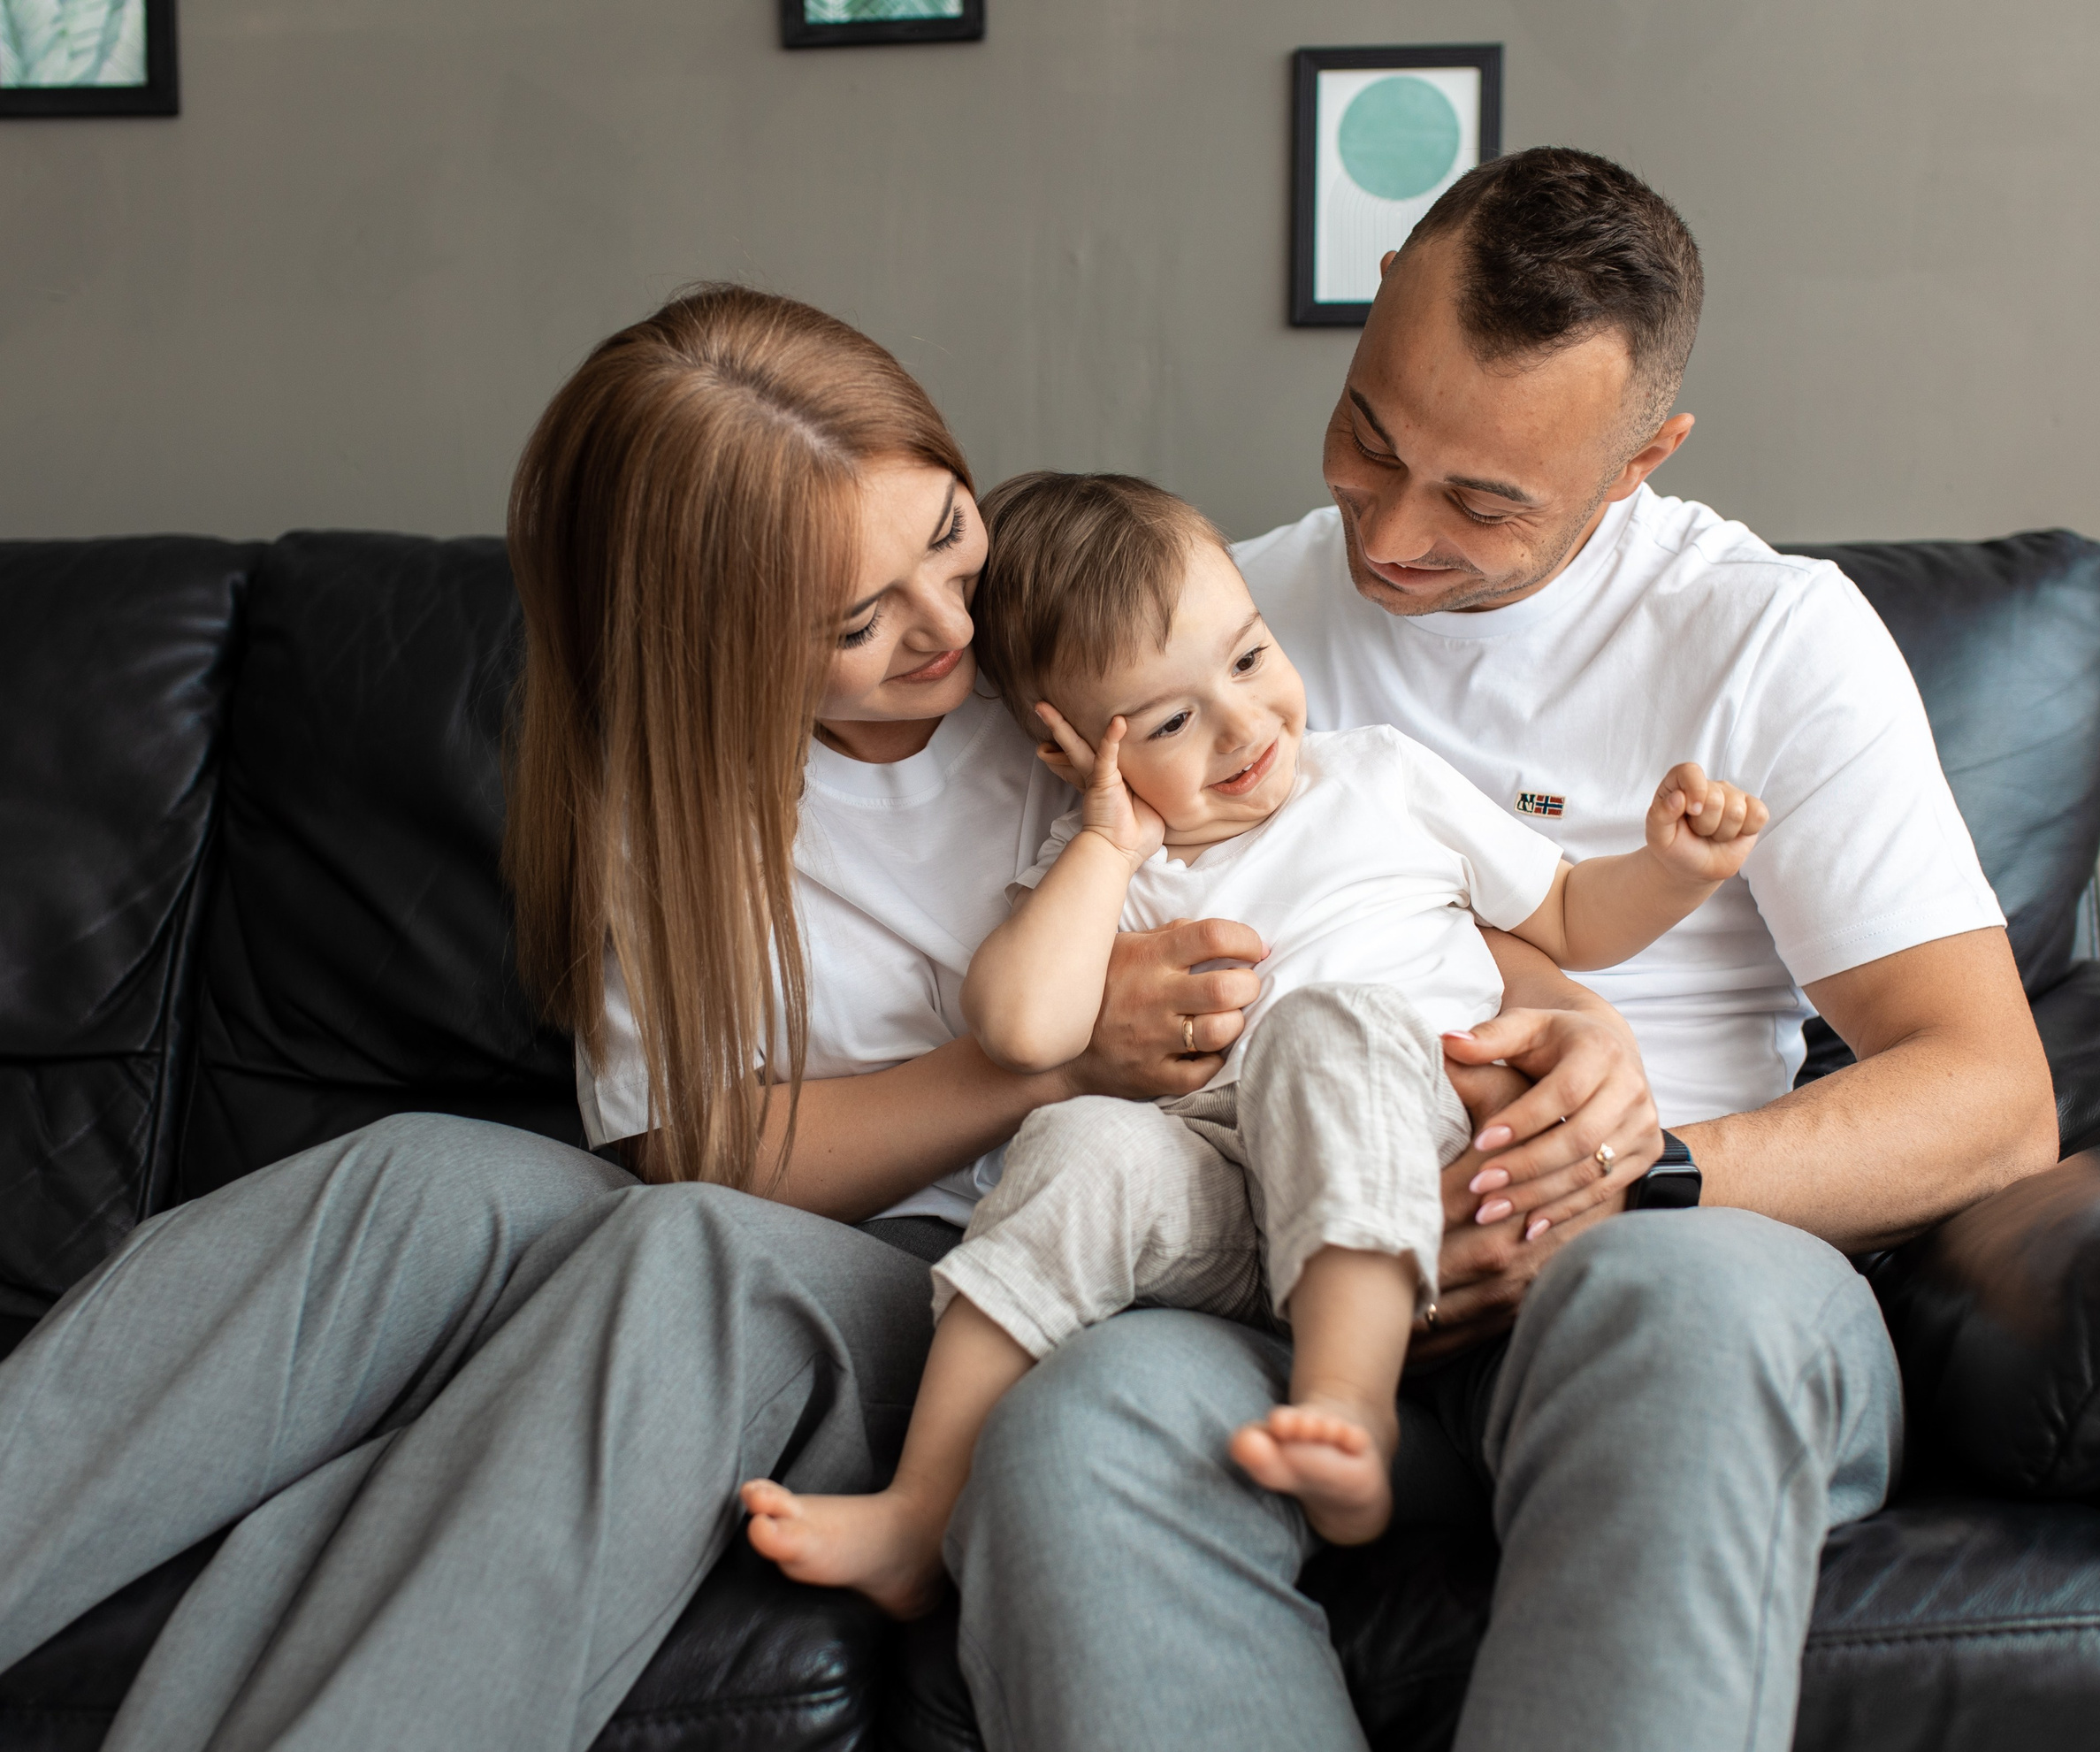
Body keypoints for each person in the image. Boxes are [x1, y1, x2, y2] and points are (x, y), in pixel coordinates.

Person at [0, 287, 1314, 1748]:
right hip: (796, 1201)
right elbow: (711, 1148)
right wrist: (1051, 1055)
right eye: (859, 622)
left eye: (945, 530)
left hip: (997, 1275)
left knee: (688, 1257)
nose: (950, 626)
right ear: (719, 642)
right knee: (407, 1179)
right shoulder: (681, 792)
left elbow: (1395, 830)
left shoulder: (1083, 643)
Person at [937, 149, 2061, 1751]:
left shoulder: (1770, 637)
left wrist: (1635, 1172)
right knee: (1074, 1434)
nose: (1391, 535)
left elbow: (1994, 1097)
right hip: (1288, 1272)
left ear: (1637, 461)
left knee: (1678, 1324)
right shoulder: (1211, 617)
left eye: (1482, 501)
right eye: (1370, 439)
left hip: (1660, 1262)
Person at [737, 469, 1767, 1610]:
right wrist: (1109, 841)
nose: (1242, 727)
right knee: (1078, 1143)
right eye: (1171, 721)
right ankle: (920, 1514)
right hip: (1232, 1194)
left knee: (1322, 1029)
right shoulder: (1113, 878)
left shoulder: (1378, 778)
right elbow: (1026, 1031)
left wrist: (1671, 871)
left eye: (1250, 658)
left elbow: (1574, 919)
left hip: (1415, 1130)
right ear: (1072, 751)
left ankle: (1348, 1404)